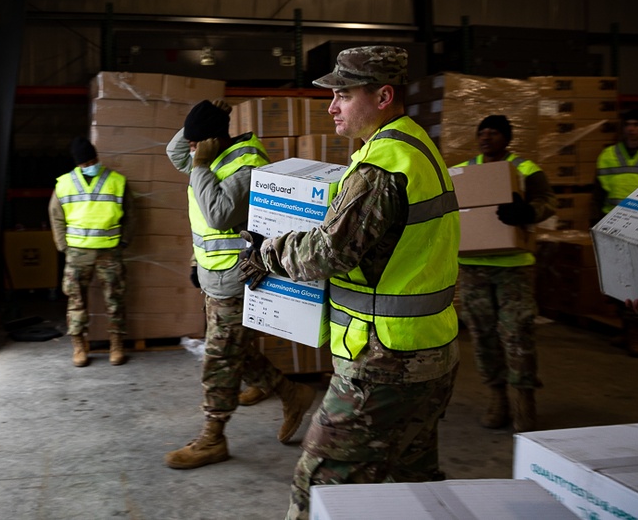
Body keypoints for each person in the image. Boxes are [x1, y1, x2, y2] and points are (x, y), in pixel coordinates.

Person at [238, 46, 461, 519]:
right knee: (412, 487)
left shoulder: (382, 166)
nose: (332, 107)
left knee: (318, 487)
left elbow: (329, 251)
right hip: (430, 352)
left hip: (383, 363)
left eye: (342, 94)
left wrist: (264, 253)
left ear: (382, 96)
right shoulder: (416, 145)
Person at [163, 99, 315, 470]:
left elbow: (218, 215)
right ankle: (291, 392)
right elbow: (174, 150)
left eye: (197, 143)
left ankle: (213, 438)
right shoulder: (208, 156)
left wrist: (201, 159)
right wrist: (204, 122)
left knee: (219, 359)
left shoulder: (247, 164)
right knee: (236, 351)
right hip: (211, 277)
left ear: (213, 141)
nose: (190, 150)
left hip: (236, 278)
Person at [451, 115, 555, 432]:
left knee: (517, 333)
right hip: (474, 267)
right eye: (481, 132)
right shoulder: (465, 170)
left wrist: (527, 212)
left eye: (493, 132)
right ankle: (497, 397)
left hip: (513, 266)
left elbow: (547, 202)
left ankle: (524, 401)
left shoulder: (525, 169)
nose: (485, 137)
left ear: (506, 138)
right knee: (482, 335)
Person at [49, 137, 134, 366]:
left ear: (97, 158)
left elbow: (131, 215)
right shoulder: (64, 183)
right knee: (76, 302)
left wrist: (123, 242)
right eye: (85, 162)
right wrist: (64, 247)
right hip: (77, 254)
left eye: (92, 160)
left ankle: (116, 345)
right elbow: (56, 217)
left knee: (115, 300)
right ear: (77, 163)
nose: (89, 165)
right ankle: (79, 347)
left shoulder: (117, 181)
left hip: (110, 252)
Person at [593, 108, 638, 357]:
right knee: (619, 284)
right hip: (614, 227)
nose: (631, 129)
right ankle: (627, 331)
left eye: (637, 124)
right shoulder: (608, 156)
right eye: (628, 124)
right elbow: (599, 193)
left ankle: (636, 335)